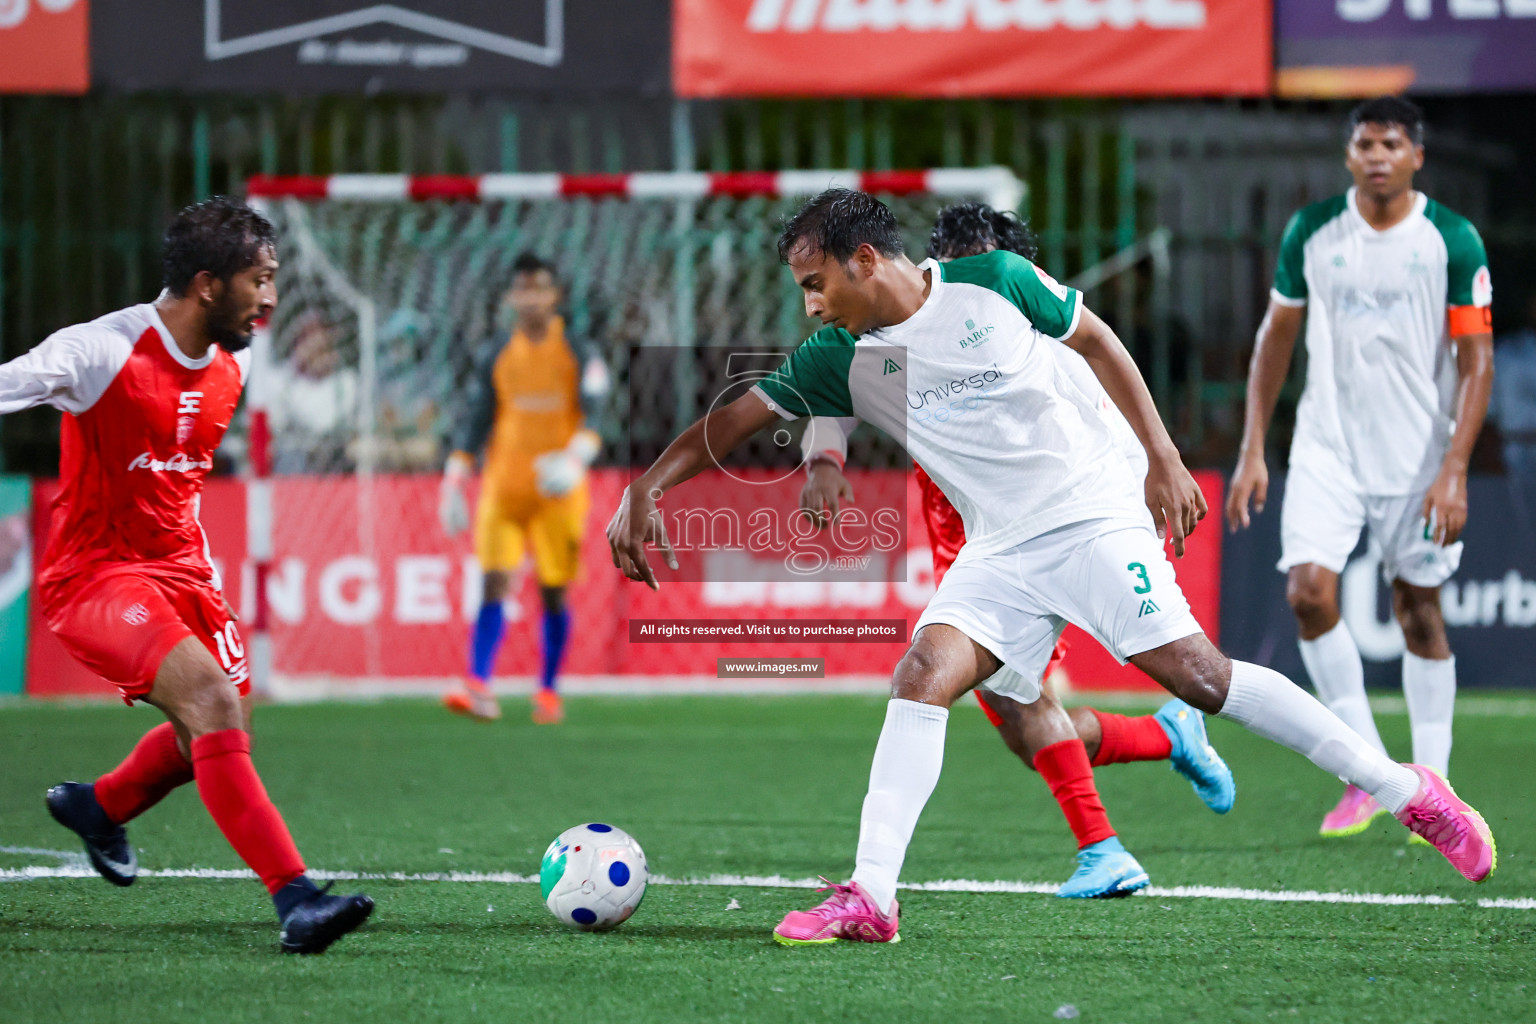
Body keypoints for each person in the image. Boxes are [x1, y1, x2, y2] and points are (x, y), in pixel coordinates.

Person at [608, 187, 1496, 947]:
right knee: (922, 676)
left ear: (864, 259)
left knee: (1199, 677)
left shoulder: (991, 280)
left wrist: (1164, 455)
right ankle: (872, 896)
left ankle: (1407, 789)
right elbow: (732, 423)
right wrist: (649, 488)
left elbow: (1100, 342)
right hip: (1000, 549)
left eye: (814, 284)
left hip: (1091, 516)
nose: (807, 305)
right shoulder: (841, 357)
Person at [798, 202, 1234, 900]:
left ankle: (1105, 848)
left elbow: (1101, 425)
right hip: (974, 537)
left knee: (1022, 703)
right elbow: (833, 396)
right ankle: (1169, 738)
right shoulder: (900, 331)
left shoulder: (1031, 338)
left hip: (1055, 526)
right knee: (1017, 720)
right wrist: (824, 460)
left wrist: (1150, 478)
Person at [4, 197, 373, 954]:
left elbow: (172, 488)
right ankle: (296, 900)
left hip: (183, 573)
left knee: (215, 728)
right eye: (259, 279)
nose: (270, 297)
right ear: (209, 283)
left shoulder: (233, 364)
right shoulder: (102, 351)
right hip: (95, 579)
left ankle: (98, 807)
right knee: (209, 701)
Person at [1226, 97, 1495, 840]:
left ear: (1416, 155)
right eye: (1364, 143)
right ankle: (1371, 773)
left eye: (1391, 143)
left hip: (1417, 457)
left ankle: (1432, 782)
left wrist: (1456, 470)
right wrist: (1254, 446)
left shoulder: (1452, 239)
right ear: (1349, 155)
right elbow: (1275, 340)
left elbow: (1476, 362)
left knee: (1418, 610)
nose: (1377, 155)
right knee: (1309, 594)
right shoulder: (1312, 231)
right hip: (1327, 448)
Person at [439, 253, 610, 723]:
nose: (531, 297)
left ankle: (549, 689)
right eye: (523, 289)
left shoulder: (578, 350)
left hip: (559, 490)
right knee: (494, 580)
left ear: (555, 296)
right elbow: (477, 420)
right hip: (504, 487)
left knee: (553, 589)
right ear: (512, 297)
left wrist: (578, 456)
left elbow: (598, 414)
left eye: (540, 288)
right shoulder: (496, 352)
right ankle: (478, 684)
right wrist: (456, 473)